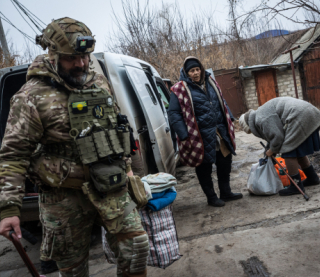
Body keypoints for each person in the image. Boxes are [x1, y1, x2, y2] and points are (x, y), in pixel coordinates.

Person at [0, 17, 149, 277]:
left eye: (85, 56)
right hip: (64, 197)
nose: (81, 64)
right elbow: (14, 155)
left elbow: (116, 130)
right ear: (53, 53)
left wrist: (127, 170)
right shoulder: (30, 96)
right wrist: (9, 209)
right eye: (72, 58)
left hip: (110, 186)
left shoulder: (98, 82)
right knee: (73, 270)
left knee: (136, 247)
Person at [168, 57, 243, 207]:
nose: (195, 73)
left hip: (219, 131)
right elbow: (174, 114)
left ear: (201, 69)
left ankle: (226, 192)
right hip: (199, 135)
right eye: (191, 71)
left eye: (197, 69)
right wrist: (184, 135)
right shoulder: (180, 89)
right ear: (186, 72)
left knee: (225, 162)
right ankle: (211, 197)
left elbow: (222, 101)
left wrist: (230, 116)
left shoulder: (210, 82)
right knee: (204, 167)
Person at [239, 97, 320, 196]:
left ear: (249, 125)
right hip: (308, 111)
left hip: (299, 115)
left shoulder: (261, 118)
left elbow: (278, 137)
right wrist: (270, 150)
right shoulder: (260, 114)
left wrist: (271, 150)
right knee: (295, 149)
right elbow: (273, 135)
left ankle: (295, 186)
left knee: (288, 152)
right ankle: (312, 178)